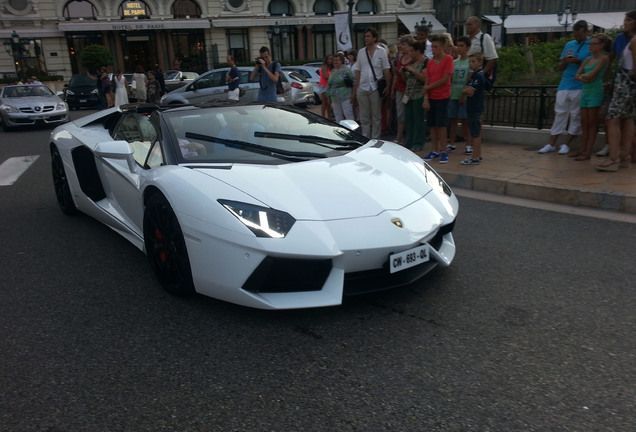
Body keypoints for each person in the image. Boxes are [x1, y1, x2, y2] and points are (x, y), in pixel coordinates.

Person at [537, 20, 590, 155]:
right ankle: (551, 143)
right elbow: (560, 66)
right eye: (575, 35)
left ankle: (567, 144)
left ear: (586, 32)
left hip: (580, 84)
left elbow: (592, 65)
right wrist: (564, 61)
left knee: (575, 115)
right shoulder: (569, 44)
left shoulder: (591, 45)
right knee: (560, 113)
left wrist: (578, 61)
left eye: (579, 35)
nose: (576, 38)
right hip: (565, 84)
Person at [597, 11, 636, 172]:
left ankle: (613, 157)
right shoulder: (629, 40)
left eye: (628, 20)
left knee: (612, 119)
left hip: (626, 86)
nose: (624, 23)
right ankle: (625, 155)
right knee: (627, 119)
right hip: (628, 86)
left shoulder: (634, 42)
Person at [571, 34, 610, 161]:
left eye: (594, 44)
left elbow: (592, 75)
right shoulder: (587, 60)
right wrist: (585, 78)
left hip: (595, 92)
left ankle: (588, 151)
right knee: (584, 122)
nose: (591, 46)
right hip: (586, 91)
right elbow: (578, 76)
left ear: (601, 45)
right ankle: (582, 148)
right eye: (590, 44)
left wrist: (585, 77)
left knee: (592, 123)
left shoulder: (604, 58)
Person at [352, 27, 392, 139]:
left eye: (368, 36)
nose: (366, 38)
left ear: (374, 38)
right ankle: (366, 137)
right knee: (364, 116)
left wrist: (388, 86)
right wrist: (356, 88)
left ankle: (375, 138)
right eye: (365, 36)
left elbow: (386, 69)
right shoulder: (361, 52)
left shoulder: (381, 51)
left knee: (376, 115)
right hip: (363, 86)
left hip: (375, 86)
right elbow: (358, 71)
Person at [422, 35, 454, 164]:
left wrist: (429, 87)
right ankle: (434, 150)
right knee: (432, 125)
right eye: (432, 47)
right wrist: (426, 97)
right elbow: (427, 79)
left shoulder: (448, 59)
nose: (433, 50)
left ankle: (443, 151)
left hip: (443, 96)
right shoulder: (430, 63)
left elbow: (445, 79)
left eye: (436, 47)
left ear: (443, 47)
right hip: (432, 97)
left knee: (441, 125)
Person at [401, 40, 427, 151]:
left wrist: (413, 71)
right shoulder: (411, 63)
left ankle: (418, 142)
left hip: (419, 94)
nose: (410, 53)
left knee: (418, 120)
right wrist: (403, 73)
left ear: (418, 51)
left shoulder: (425, 62)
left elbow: (424, 78)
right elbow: (406, 79)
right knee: (409, 120)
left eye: (412, 51)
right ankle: (409, 141)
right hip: (409, 94)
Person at [460, 53, 486, 165]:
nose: (471, 64)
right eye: (470, 62)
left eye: (473, 61)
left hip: (475, 108)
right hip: (472, 107)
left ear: (480, 63)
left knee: (475, 133)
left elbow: (470, 91)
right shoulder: (474, 75)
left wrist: (465, 90)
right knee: (475, 132)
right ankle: (477, 155)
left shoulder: (478, 76)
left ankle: (475, 157)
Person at [447, 36, 471, 154]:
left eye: (462, 46)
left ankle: (468, 144)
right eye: (458, 46)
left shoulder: (470, 62)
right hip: (453, 94)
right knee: (453, 119)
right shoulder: (454, 62)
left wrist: (463, 95)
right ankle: (451, 143)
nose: (459, 48)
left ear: (467, 48)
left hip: (463, 95)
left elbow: (469, 79)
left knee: (465, 120)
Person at [391, 34, 415, 144]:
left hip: (410, 89)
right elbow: (395, 75)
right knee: (400, 114)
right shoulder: (400, 57)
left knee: (410, 114)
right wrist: (392, 89)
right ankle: (399, 137)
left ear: (410, 46)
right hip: (399, 88)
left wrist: (404, 75)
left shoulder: (414, 59)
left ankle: (410, 137)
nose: (402, 47)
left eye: (404, 45)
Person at [465, 16, 498, 90]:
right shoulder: (467, 40)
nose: (467, 27)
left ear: (477, 25)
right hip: (467, 76)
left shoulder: (485, 37)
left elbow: (492, 58)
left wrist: (481, 74)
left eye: (469, 24)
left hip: (476, 77)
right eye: (466, 25)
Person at [326, 52, 355, 122]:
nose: (335, 62)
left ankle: (351, 130)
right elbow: (329, 85)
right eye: (334, 60)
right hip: (334, 97)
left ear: (341, 61)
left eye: (337, 60)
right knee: (338, 115)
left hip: (345, 96)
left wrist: (353, 95)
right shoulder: (332, 71)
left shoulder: (346, 70)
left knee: (348, 114)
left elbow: (353, 82)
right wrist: (328, 97)